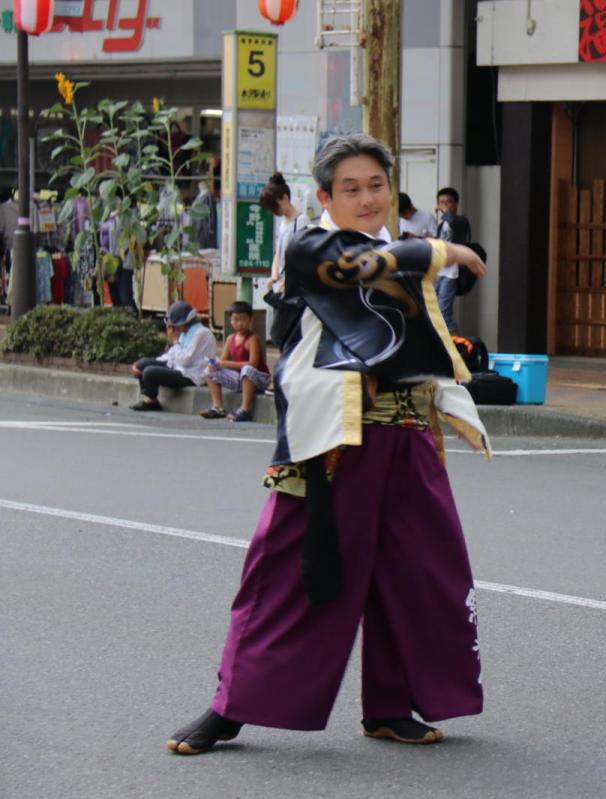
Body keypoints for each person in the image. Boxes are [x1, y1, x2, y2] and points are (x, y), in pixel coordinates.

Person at [166, 133, 491, 755]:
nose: (368, 199)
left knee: (419, 572)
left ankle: (391, 705)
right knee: (290, 571)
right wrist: (442, 248)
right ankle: (231, 706)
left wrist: (443, 408)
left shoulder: (397, 254)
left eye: (377, 186)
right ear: (324, 197)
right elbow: (357, 268)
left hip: (406, 436)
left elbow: (415, 343)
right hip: (334, 443)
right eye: (351, 189)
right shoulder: (313, 247)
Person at [129, 301, 217, 411]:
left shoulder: (201, 334)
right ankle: (150, 398)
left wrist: (175, 341)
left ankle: (152, 401)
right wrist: (140, 364)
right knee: (142, 364)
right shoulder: (185, 332)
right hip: (178, 367)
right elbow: (170, 356)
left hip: (191, 375)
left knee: (149, 372)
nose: (173, 328)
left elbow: (185, 361)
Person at [200, 301, 271, 422]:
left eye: (243, 319)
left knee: (247, 369)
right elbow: (223, 360)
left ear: (250, 320)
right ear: (231, 320)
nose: (239, 323)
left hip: (258, 379)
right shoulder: (230, 339)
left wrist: (224, 364)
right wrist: (215, 365)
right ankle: (218, 407)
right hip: (240, 378)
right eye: (236, 319)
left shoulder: (252, 339)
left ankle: (245, 409)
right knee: (209, 370)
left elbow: (253, 364)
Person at [260, 172, 311, 293]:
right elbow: (278, 253)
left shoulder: (301, 221)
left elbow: (304, 256)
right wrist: (274, 276)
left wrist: (289, 279)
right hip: (283, 284)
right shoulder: (283, 223)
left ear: (285, 198)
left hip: (295, 286)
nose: (273, 211)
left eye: (274, 206)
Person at [435, 186, 472, 333]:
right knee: (434, 312)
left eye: (448, 202)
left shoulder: (461, 221)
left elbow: (459, 236)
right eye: (441, 202)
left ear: (456, 204)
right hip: (438, 271)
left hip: (451, 272)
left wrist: (446, 213)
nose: (444, 205)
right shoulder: (441, 225)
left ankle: (457, 344)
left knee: (444, 313)